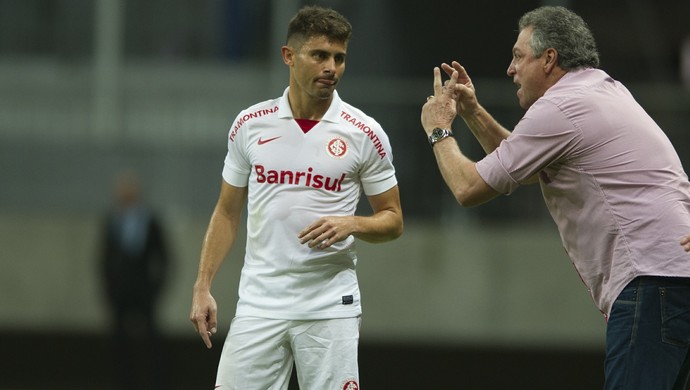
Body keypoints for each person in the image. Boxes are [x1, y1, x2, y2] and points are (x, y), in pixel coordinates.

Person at [420, 6, 690, 390]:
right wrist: (473, 112)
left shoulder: (560, 106)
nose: (510, 69)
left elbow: (468, 188)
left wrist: (438, 130)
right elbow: (525, 166)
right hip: (673, 276)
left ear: (549, 59)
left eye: (518, 56)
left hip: (651, 281)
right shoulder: (599, 88)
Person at [189, 5, 403, 390]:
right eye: (320, 55)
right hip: (260, 304)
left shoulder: (365, 133)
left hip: (328, 307)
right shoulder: (250, 125)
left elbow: (393, 219)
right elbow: (226, 212)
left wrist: (352, 223)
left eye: (339, 58)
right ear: (289, 56)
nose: (331, 67)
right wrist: (203, 286)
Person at [100, 170, 169, 389]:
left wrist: (156, 288)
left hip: (144, 290)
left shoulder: (150, 221)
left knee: (151, 342)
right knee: (119, 343)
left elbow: (164, 258)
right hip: (120, 291)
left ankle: (156, 382)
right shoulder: (113, 220)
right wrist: (109, 288)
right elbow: (104, 259)